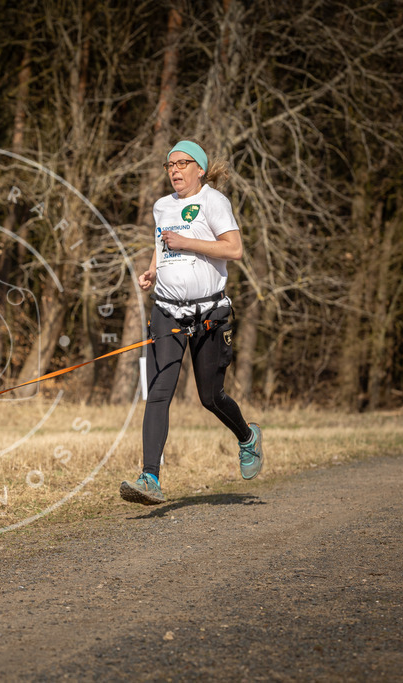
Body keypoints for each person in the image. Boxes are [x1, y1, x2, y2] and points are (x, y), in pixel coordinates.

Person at [120, 140, 263, 505]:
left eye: (183, 163)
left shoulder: (214, 202)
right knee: (159, 392)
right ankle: (149, 477)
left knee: (210, 397)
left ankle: (247, 437)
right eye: (170, 164)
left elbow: (234, 249)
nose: (175, 169)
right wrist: (153, 269)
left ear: (199, 169)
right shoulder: (161, 206)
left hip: (209, 315)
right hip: (167, 310)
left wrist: (187, 242)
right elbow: (162, 243)